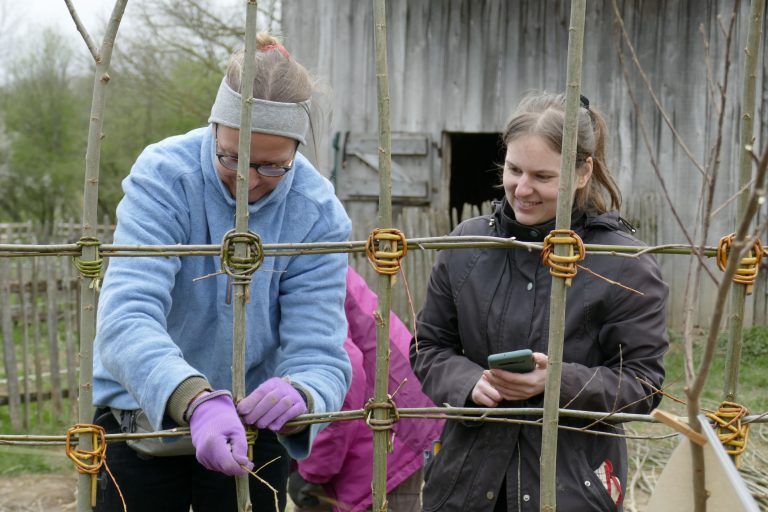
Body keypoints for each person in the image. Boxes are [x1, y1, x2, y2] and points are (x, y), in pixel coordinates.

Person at [92, 33, 352, 512]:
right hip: (143, 427)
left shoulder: (317, 212)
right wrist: (194, 399)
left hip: (251, 436)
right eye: (231, 157)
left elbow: (322, 353)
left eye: (273, 166)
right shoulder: (165, 176)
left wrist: (302, 394)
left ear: (297, 148)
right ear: (214, 127)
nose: (249, 181)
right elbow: (125, 317)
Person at [410, 92, 669, 512]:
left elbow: (643, 385)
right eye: (513, 169)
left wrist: (556, 383)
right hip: (463, 486)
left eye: (543, 177)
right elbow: (428, 346)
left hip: (573, 491)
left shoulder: (624, 265)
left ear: (583, 172)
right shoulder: (467, 246)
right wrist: (466, 382)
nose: (522, 189)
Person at [288, 267, 444, 512]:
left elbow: (342, 381)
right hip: (389, 414)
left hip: (390, 428)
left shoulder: (306, 270)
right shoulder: (307, 260)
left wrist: (313, 474)